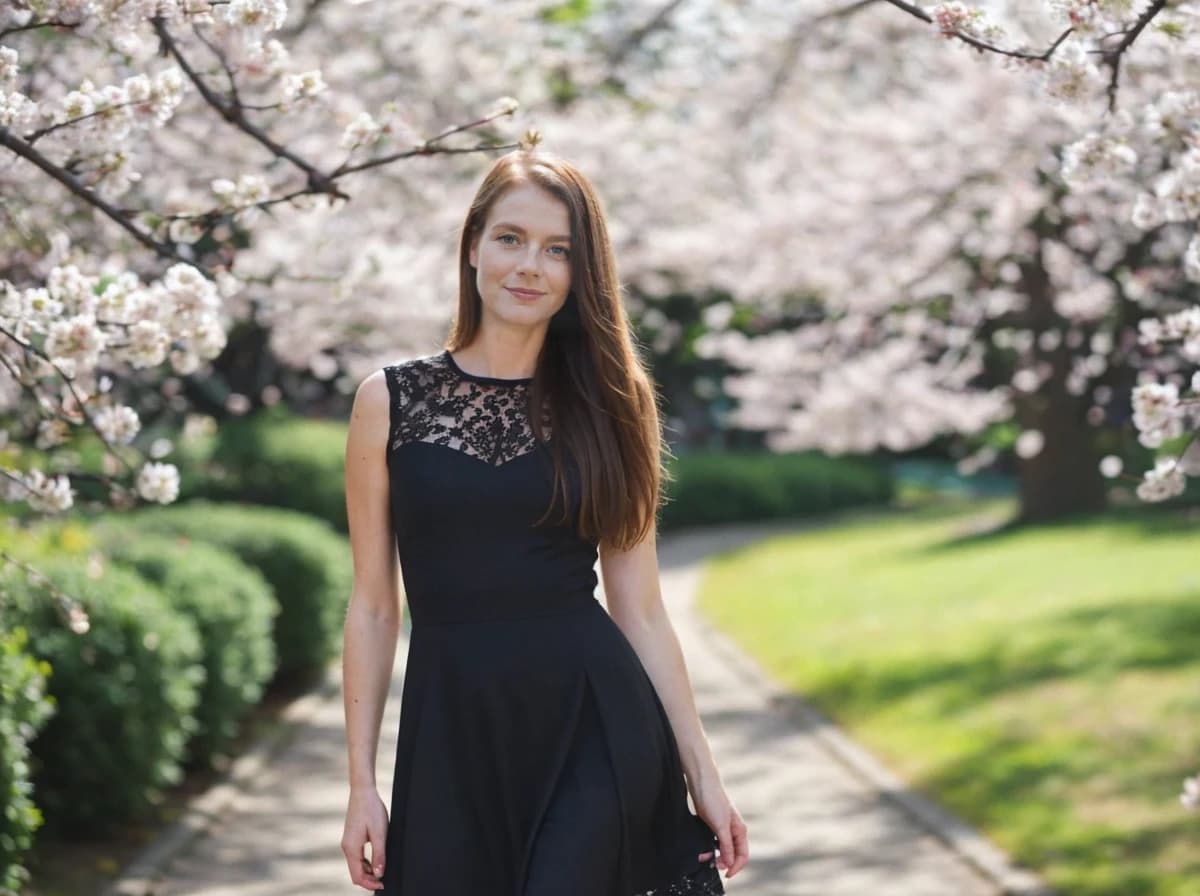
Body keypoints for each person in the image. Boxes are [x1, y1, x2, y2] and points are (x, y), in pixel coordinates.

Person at [340, 149, 750, 895]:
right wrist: (361, 784)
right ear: (473, 247)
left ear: (579, 273)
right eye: (511, 239)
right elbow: (372, 604)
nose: (530, 265)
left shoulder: (613, 404)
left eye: (558, 250)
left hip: (592, 718)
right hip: (452, 732)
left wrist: (705, 773)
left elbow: (643, 608)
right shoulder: (387, 402)